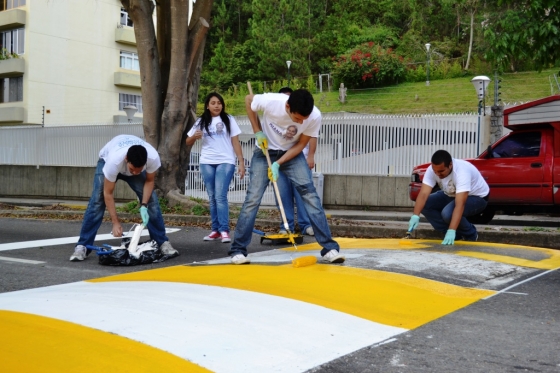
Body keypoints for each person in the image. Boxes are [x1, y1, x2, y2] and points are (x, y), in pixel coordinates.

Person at [228, 88, 344, 264]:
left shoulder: (314, 116)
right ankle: (238, 250)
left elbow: (301, 144)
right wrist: (257, 131)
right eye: (297, 118)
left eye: (303, 120)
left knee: (310, 196)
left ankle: (329, 248)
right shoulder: (271, 101)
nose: (300, 122)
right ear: (288, 106)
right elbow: (248, 99)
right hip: (264, 152)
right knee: (253, 198)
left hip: (292, 153)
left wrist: (278, 163)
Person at [70, 134, 178, 261]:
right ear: (127, 159)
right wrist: (115, 222)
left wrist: (143, 205)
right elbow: (108, 193)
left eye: (139, 170)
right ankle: (82, 246)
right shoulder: (114, 162)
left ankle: (162, 243)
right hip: (106, 160)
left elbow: (149, 182)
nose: (135, 173)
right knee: (97, 202)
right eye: (133, 170)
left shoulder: (153, 158)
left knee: (152, 201)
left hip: (130, 160)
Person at [186, 92, 245, 243]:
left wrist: (241, 162)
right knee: (212, 197)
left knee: (220, 196)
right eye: (213, 103)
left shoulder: (229, 119)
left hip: (225, 161)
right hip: (207, 162)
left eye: (219, 103)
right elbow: (187, 141)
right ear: (207, 105)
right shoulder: (201, 121)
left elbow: (235, 142)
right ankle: (215, 230)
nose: (217, 105)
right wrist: (194, 137)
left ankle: (224, 230)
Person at [407, 149, 489, 244]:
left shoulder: (462, 172)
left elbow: (460, 205)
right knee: (425, 205)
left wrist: (452, 230)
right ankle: (454, 236)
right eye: (435, 171)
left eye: (441, 171)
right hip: (450, 193)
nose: (438, 174)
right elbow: (423, 194)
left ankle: (470, 234)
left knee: (447, 213)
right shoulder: (432, 170)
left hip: (477, 197)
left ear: (450, 165)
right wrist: (415, 215)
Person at [276, 86, 316, 236]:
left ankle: (306, 225)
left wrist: (310, 155)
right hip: (279, 159)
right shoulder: (275, 115)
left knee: (302, 193)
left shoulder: (305, 116)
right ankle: (286, 226)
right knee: (283, 194)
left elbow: (313, 136)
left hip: (299, 158)